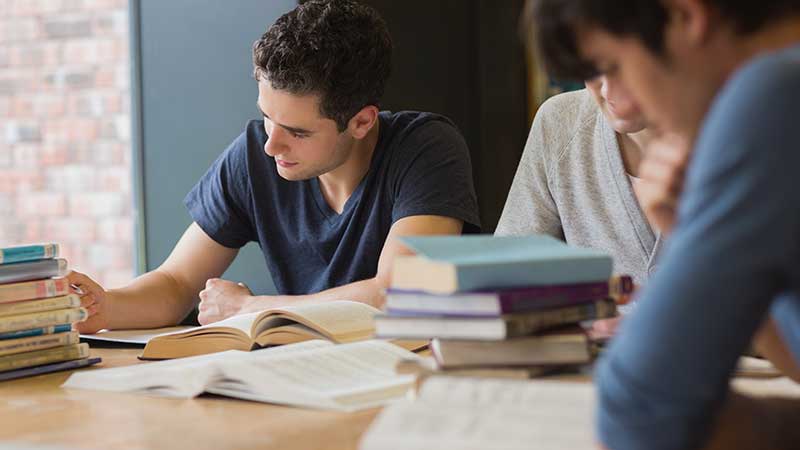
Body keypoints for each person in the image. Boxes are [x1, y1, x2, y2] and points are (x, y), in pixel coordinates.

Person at [70, 0, 480, 332]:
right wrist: (106, 306)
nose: (270, 144)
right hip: (298, 378)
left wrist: (251, 308)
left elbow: (399, 294)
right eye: (267, 117)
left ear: (361, 122)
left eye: (297, 132)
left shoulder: (427, 148)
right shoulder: (254, 155)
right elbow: (176, 283)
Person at [527, 0, 800, 449]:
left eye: (615, 64)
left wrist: (756, 422)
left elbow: (639, 412)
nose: (620, 101)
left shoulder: (772, 93)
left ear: (684, 16)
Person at [496, 76, 661, 289]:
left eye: (618, 65)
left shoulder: (715, 137)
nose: (607, 90)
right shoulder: (560, 122)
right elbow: (508, 272)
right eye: (590, 67)